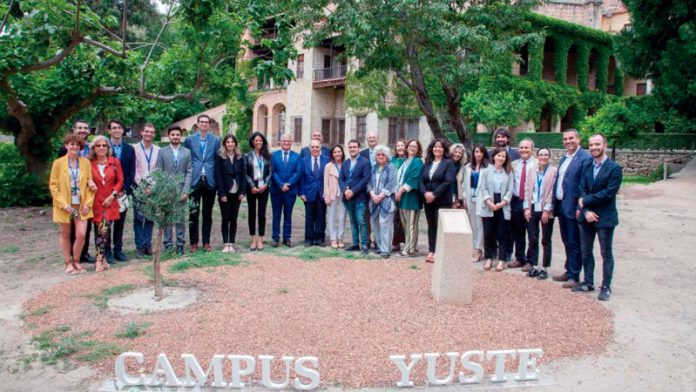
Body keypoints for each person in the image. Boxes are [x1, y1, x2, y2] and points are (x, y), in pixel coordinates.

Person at [575, 134, 622, 301]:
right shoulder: (587, 165)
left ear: (605, 145)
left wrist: (586, 200)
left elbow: (609, 193)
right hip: (586, 216)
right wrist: (586, 210)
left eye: (597, 144)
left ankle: (606, 286)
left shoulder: (614, 168)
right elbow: (581, 188)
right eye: (591, 145)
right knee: (586, 251)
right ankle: (588, 282)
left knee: (605, 253)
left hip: (605, 217)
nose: (594, 147)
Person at [49, 134, 95, 274]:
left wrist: (88, 203)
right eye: (71, 144)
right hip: (65, 205)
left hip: (80, 205)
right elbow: (53, 186)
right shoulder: (58, 163)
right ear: (66, 146)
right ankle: (68, 263)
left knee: (81, 234)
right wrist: (63, 204)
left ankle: (76, 261)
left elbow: (90, 185)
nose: (74, 147)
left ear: (80, 147)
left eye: (77, 145)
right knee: (65, 234)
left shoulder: (86, 163)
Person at [552, 128, 592, 288]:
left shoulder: (584, 158)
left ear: (578, 139)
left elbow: (584, 185)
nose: (568, 141)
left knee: (574, 242)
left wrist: (580, 207)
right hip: (562, 205)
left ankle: (574, 275)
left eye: (571, 138)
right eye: (565, 139)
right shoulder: (564, 158)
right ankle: (569, 270)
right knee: (566, 240)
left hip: (574, 207)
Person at [184, 114, 220, 252]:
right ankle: (193, 243)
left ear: (209, 125)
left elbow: (217, 161)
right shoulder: (189, 140)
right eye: (202, 122)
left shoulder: (216, 140)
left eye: (206, 122)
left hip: (210, 181)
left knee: (207, 214)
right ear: (197, 124)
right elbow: (187, 159)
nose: (204, 124)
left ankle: (206, 242)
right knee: (193, 213)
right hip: (195, 180)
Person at [88, 136, 124, 272]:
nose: (101, 148)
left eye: (104, 145)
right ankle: (102, 259)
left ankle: (98, 260)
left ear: (108, 148)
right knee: (100, 231)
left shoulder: (114, 162)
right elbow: (85, 179)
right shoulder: (89, 163)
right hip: (96, 202)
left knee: (104, 230)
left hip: (110, 201)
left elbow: (120, 181)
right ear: (94, 148)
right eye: (98, 146)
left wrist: (112, 195)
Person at [156, 126, 192, 255]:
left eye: (178, 134)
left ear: (181, 136)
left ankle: (181, 245)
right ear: (169, 136)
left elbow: (189, 172)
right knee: (167, 219)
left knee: (180, 219)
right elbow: (159, 171)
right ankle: (168, 245)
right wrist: (163, 191)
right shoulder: (162, 152)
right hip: (167, 191)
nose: (175, 137)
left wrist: (186, 191)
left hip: (182, 190)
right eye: (173, 134)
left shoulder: (187, 152)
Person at [477, 147, 514, 272]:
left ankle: (502, 260)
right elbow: (483, 188)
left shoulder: (509, 172)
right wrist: (488, 201)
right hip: (489, 203)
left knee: (502, 233)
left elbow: (510, 190)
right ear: (494, 157)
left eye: (503, 156)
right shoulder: (486, 171)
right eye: (499, 155)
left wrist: (503, 202)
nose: (501, 158)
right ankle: (489, 258)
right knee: (488, 233)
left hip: (503, 204)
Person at [419, 138, 456, 263]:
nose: (437, 149)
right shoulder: (427, 163)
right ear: (432, 149)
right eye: (435, 146)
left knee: (440, 226)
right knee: (431, 226)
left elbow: (448, 181)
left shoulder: (448, 163)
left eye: (440, 147)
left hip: (442, 200)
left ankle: (440, 251)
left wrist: (434, 194)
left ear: (444, 149)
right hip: (428, 200)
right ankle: (431, 250)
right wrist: (425, 193)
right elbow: (421, 180)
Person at [523, 147, 557, 280]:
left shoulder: (554, 171)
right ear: (537, 156)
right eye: (541, 155)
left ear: (549, 156)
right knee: (532, 238)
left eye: (546, 155)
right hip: (532, 207)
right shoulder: (532, 171)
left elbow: (552, 192)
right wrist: (526, 207)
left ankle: (545, 267)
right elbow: (527, 188)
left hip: (545, 209)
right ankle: (535, 265)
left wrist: (547, 210)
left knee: (546, 239)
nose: (543, 157)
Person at [106, 120, 135, 263]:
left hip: (123, 193)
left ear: (123, 131)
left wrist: (124, 190)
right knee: (107, 223)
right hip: (107, 193)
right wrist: (111, 191)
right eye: (114, 128)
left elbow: (131, 172)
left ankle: (118, 250)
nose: (117, 130)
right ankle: (107, 252)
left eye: (119, 128)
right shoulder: (103, 148)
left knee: (120, 223)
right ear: (109, 131)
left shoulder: (129, 149)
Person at [508, 139, 537, 271]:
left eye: (526, 147)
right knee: (517, 232)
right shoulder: (514, 164)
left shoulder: (537, 164)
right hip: (516, 201)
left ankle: (531, 260)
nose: (523, 150)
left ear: (532, 149)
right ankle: (520, 258)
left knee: (532, 233)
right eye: (521, 148)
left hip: (530, 202)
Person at [132, 123, 160, 257]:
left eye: (152, 132)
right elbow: (134, 169)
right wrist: (142, 186)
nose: (149, 134)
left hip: (153, 188)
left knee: (150, 218)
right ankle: (139, 246)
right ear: (142, 132)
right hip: (139, 187)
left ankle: (147, 244)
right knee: (138, 218)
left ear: (154, 134)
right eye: (147, 131)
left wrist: (152, 187)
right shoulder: (134, 149)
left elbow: (158, 170)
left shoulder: (159, 150)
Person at [215, 134, 246, 253]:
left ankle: (231, 243)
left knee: (233, 218)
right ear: (224, 144)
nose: (230, 144)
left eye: (232, 142)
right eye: (228, 142)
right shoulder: (220, 156)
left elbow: (243, 174)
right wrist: (221, 193)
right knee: (225, 218)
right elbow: (218, 175)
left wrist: (242, 191)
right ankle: (225, 243)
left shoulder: (240, 156)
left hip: (237, 191)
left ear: (235, 144)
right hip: (225, 191)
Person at [340, 139, 371, 255]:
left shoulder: (365, 162)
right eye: (350, 147)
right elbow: (341, 179)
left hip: (359, 198)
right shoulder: (346, 163)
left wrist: (352, 191)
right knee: (352, 221)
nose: (352, 149)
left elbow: (365, 180)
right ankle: (355, 244)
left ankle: (364, 244)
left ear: (358, 148)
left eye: (354, 147)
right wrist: (345, 190)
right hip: (347, 198)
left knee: (362, 221)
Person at [270, 133, 301, 247]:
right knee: (276, 215)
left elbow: (297, 173)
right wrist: (281, 184)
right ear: (280, 142)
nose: (286, 143)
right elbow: (272, 172)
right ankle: (275, 238)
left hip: (290, 191)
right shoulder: (273, 155)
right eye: (284, 141)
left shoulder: (297, 156)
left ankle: (287, 238)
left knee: (288, 215)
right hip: (276, 191)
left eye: (288, 141)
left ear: (291, 143)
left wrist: (288, 184)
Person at [395, 139, 424, 258]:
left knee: (411, 224)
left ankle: (410, 249)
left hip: (411, 197)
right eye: (410, 146)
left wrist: (400, 192)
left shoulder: (417, 161)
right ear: (407, 148)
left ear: (418, 150)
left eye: (415, 147)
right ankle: (409, 245)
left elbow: (413, 179)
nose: (412, 148)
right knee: (406, 224)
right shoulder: (406, 161)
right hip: (403, 197)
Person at [368, 145, 398, 258]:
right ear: (375, 156)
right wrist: (372, 194)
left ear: (387, 156)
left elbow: (392, 183)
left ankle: (386, 249)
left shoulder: (391, 167)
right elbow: (368, 182)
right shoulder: (373, 167)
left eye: (383, 154)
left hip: (387, 200)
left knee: (385, 225)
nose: (380, 156)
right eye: (378, 154)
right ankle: (381, 247)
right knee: (375, 224)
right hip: (373, 200)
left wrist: (380, 196)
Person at [244, 132, 272, 251]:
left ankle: (260, 238)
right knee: (252, 213)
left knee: (261, 213)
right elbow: (245, 172)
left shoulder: (267, 156)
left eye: (260, 140)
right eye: (256, 140)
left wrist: (266, 185)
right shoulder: (247, 156)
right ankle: (253, 238)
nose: (258, 142)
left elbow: (270, 171)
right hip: (252, 187)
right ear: (252, 142)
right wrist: (251, 186)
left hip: (264, 187)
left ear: (263, 142)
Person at [299, 139, 329, 247]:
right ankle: (309, 239)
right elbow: (301, 178)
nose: (315, 149)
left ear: (320, 148)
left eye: (317, 147)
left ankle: (320, 238)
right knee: (309, 217)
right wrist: (301, 193)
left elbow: (328, 178)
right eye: (313, 147)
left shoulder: (327, 160)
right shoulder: (303, 160)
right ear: (309, 148)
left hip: (322, 193)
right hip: (308, 193)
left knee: (321, 216)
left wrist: (328, 193)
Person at [461, 144, 488, 262]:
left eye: (481, 152)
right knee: (472, 224)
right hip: (470, 197)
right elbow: (464, 184)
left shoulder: (488, 167)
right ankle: (473, 247)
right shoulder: (468, 167)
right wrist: (465, 198)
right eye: (477, 151)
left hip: (482, 199)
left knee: (480, 225)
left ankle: (479, 249)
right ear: (473, 153)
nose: (479, 154)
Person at [324, 145, 347, 249]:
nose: (337, 154)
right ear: (332, 154)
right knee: (331, 217)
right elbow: (325, 183)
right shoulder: (328, 166)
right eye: (335, 152)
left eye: (339, 151)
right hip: (332, 194)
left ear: (342, 153)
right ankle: (333, 238)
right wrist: (327, 196)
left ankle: (340, 238)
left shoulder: (346, 164)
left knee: (342, 217)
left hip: (343, 194)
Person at [360, 130, 379, 249]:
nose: (372, 140)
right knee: (365, 217)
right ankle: (366, 240)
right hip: (365, 190)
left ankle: (377, 241)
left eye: (374, 138)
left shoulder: (382, 152)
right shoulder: (362, 154)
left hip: (378, 190)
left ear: (378, 139)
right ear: (367, 140)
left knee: (377, 218)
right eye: (369, 138)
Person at [391, 140, 407, 252]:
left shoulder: (408, 160)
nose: (400, 147)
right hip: (393, 192)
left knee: (405, 219)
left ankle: (408, 243)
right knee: (395, 219)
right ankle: (396, 243)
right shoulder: (392, 160)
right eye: (398, 146)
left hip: (405, 192)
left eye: (402, 145)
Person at [450, 143, 467, 208]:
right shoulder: (445, 163)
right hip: (445, 196)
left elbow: (463, 183)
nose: (457, 154)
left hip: (456, 197)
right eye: (455, 152)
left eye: (460, 153)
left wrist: (462, 199)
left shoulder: (462, 167)